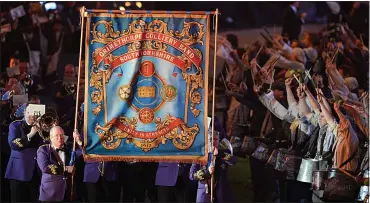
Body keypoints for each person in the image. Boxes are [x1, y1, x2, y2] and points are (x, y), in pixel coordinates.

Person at [189, 117, 236, 203]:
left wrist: (220, 154)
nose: (213, 142)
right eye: (210, 139)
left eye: (215, 139)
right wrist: (207, 172)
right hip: (204, 193)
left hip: (221, 193)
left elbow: (233, 161)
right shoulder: (200, 153)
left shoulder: (224, 150)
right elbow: (192, 175)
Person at [5, 103, 42, 202]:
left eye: (34, 113)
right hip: (19, 172)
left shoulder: (41, 127)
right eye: (29, 112)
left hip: (35, 172)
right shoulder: (15, 125)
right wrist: (31, 134)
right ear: (24, 112)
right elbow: (13, 144)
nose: (32, 115)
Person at [73, 131, 120, 202]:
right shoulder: (86, 129)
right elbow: (80, 151)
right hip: (91, 173)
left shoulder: (113, 129)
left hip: (109, 172)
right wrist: (78, 141)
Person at [37, 126, 78, 202]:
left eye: (62, 135)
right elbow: (45, 168)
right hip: (50, 193)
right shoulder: (43, 150)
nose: (60, 137)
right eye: (57, 135)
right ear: (51, 137)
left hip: (68, 191)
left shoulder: (70, 148)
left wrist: (78, 140)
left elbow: (83, 153)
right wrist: (65, 168)